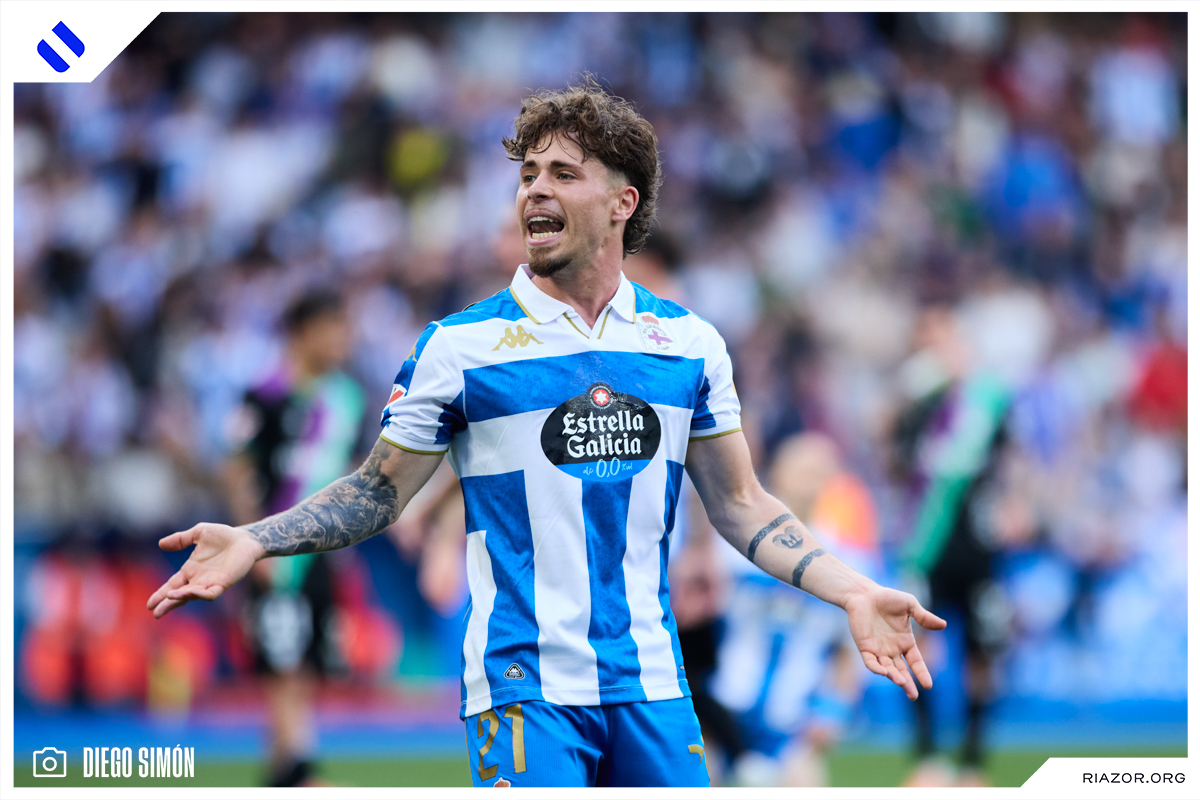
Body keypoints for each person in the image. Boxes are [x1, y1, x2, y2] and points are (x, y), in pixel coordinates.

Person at [147, 79, 946, 788]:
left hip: (652, 683)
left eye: (563, 173)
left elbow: (742, 504)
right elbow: (378, 490)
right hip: (522, 687)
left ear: (622, 202)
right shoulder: (460, 348)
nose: (535, 189)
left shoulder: (688, 345)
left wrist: (852, 589)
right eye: (527, 174)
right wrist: (255, 539)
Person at [220, 289, 366, 786]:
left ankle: (281, 773)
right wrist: (252, 544)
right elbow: (238, 472)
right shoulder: (264, 395)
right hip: (273, 550)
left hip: (322, 553)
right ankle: (302, 772)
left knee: (306, 663)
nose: (342, 340)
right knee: (282, 662)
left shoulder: (346, 398)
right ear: (303, 333)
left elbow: (353, 473)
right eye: (333, 329)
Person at [710, 433, 884, 787]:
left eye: (821, 471)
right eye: (803, 470)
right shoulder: (729, 547)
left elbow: (848, 652)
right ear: (777, 472)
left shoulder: (848, 560)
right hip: (724, 707)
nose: (811, 480)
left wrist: (832, 713)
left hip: (792, 723)